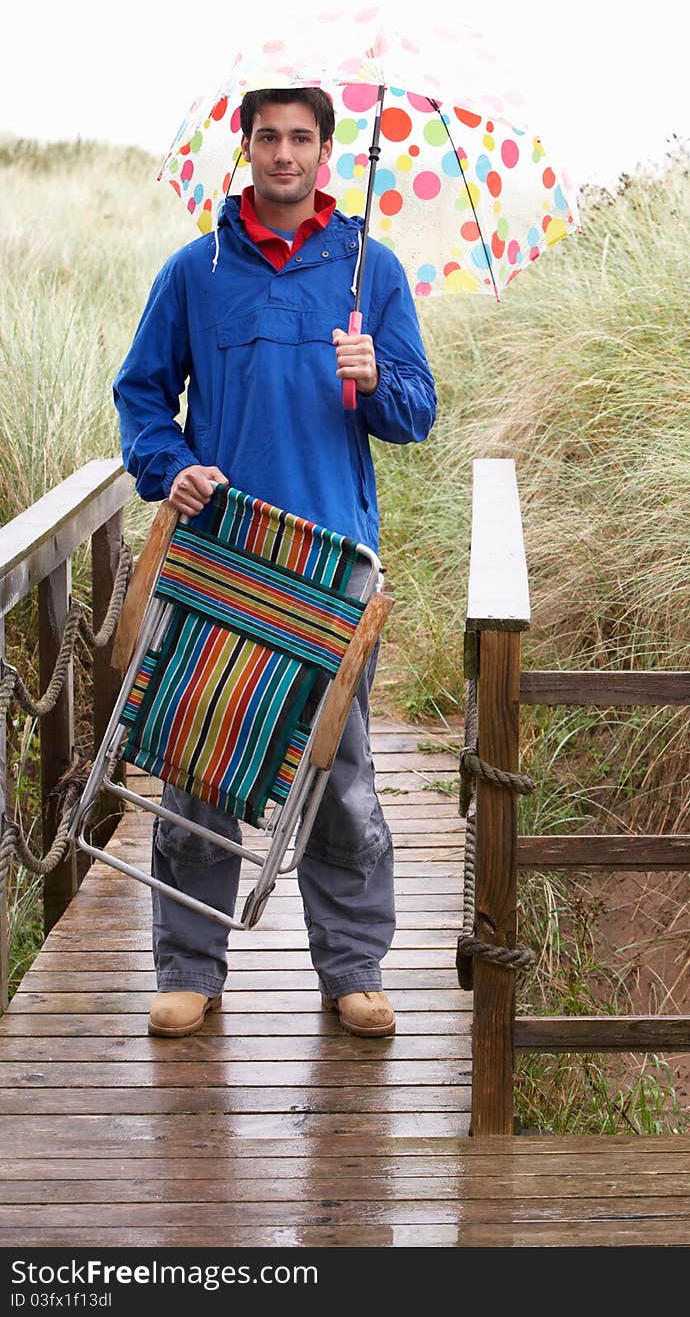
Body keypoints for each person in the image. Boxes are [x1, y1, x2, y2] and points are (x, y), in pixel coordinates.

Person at [114, 86, 436, 1039]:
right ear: (245, 146)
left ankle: (352, 970)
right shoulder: (195, 270)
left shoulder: (369, 270)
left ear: (327, 153)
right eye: (270, 137)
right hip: (223, 557)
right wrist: (171, 468)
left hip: (335, 567)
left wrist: (377, 379)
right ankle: (189, 969)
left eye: (302, 137)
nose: (285, 153)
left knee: (341, 776)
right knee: (198, 757)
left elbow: (416, 412)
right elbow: (141, 397)